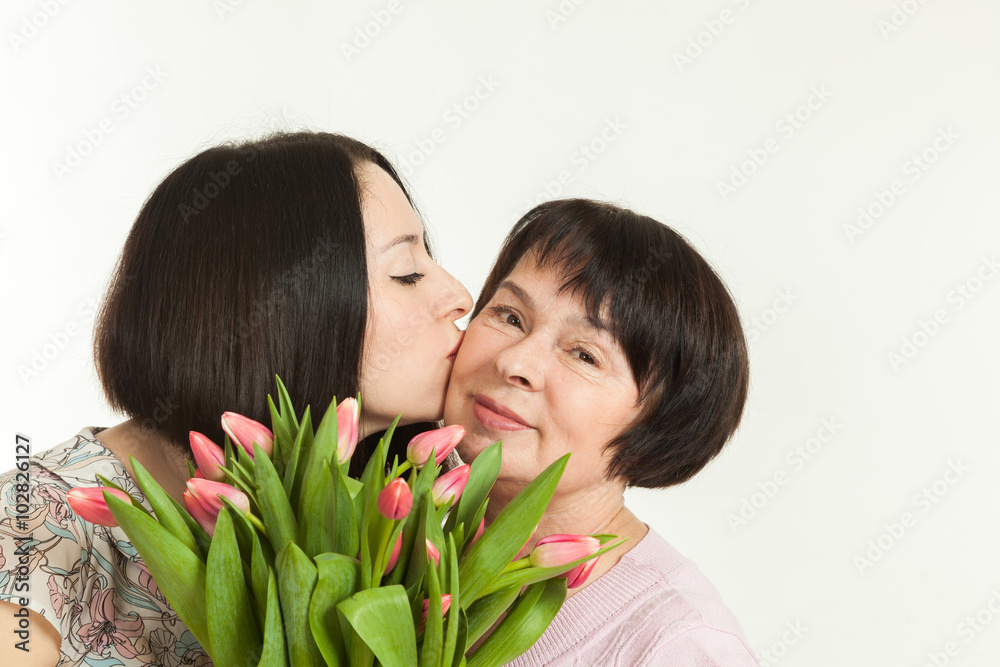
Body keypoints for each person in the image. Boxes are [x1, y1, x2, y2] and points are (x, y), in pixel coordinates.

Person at [0, 131, 472, 666]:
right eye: (406, 273)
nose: (459, 295)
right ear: (279, 309)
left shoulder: (405, 511)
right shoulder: (35, 530)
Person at [444, 198, 758, 665]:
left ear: (662, 422)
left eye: (584, 354)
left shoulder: (677, 645)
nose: (514, 363)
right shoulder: (400, 548)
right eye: (510, 317)